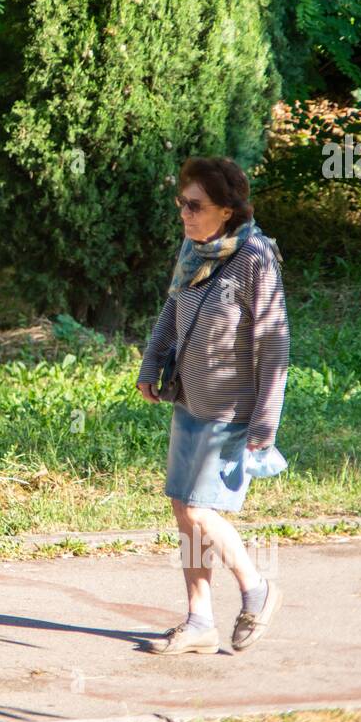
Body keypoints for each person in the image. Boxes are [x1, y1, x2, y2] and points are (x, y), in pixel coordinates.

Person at [137, 156, 290, 654]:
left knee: (201, 511)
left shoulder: (256, 258)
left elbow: (274, 343)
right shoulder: (194, 249)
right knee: (184, 511)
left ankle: (257, 588)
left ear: (226, 210)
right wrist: (151, 363)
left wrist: (266, 421)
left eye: (195, 205)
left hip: (232, 410)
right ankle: (199, 621)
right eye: (182, 203)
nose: (184, 213)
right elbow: (172, 307)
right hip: (190, 399)